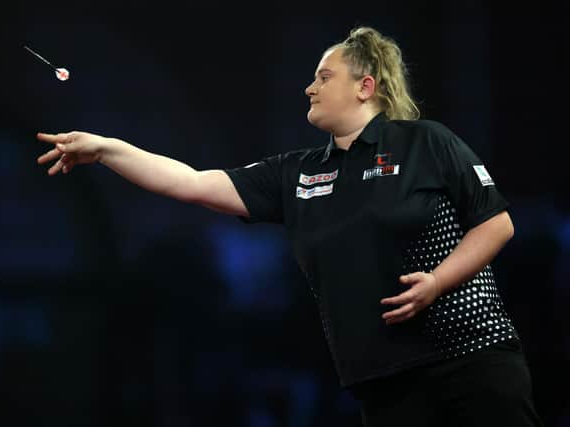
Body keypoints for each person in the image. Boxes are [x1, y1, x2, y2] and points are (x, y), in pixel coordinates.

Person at [36, 26, 543, 426]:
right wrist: (107, 150)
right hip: (383, 380)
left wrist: (437, 282)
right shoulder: (298, 172)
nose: (310, 86)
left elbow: (496, 225)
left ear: (366, 87)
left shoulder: (426, 143)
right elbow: (189, 182)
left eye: (324, 76)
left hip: (471, 359)